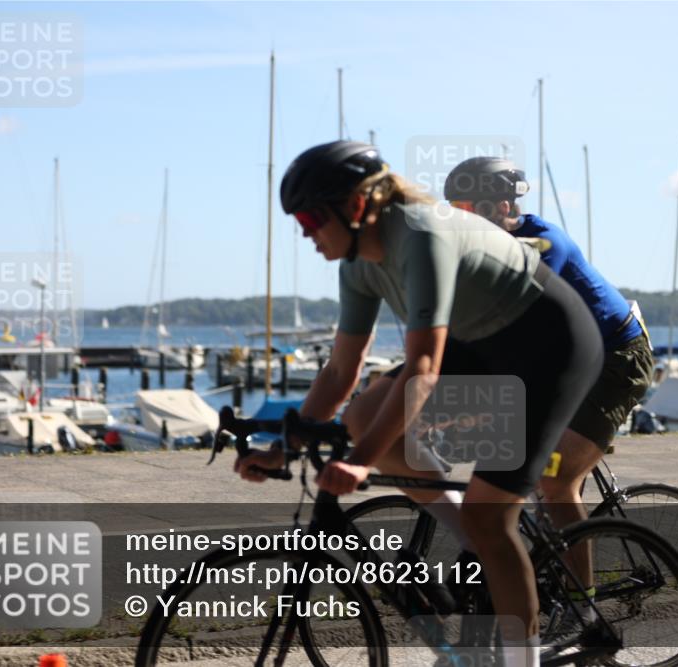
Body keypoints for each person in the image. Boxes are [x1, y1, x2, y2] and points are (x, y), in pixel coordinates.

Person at [234, 141, 603, 665]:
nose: (304, 232)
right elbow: (341, 371)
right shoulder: (357, 263)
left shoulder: (421, 234)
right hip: (481, 344)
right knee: (363, 414)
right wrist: (283, 448)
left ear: (357, 206)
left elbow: (423, 370)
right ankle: (473, 543)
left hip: (548, 347)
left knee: (491, 517)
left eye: (312, 217)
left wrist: (359, 464)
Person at [444, 156, 654, 624]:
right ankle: (532, 569)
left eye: (465, 207)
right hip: (563, 361)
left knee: (557, 481)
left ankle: (584, 608)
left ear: (500, 205)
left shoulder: (542, 243)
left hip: (617, 358)